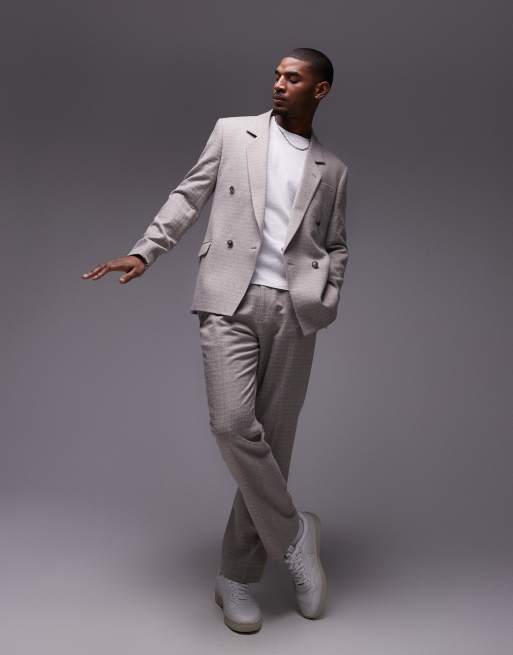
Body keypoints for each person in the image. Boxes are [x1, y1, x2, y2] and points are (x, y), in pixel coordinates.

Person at [82, 47, 349, 633]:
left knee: (274, 444)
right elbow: (189, 194)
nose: (278, 84)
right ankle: (295, 535)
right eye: (276, 75)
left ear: (320, 90)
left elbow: (336, 244)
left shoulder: (332, 168)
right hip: (229, 298)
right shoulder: (233, 133)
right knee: (232, 426)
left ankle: (236, 577)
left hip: (296, 311)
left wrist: (326, 295)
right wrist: (146, 250)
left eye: (293, 78)